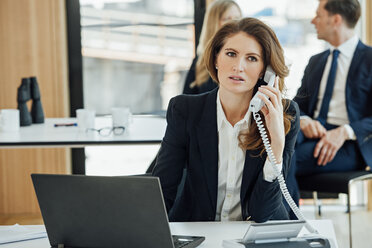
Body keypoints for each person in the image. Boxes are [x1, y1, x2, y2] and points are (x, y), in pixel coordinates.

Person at [153, 17, 300, 222]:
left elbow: (263, 214)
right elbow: (163, 188)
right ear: (216, 59)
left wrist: (276, 145)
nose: (238, 67)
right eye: (231, 54)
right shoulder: (185, 110)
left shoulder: (284, 114)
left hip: (255, 235)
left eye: (252, 58)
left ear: (266, 71)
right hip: (199, 231)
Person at [291, 0, 372, 190]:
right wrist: (303, 119)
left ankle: (289, 218)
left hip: (351, 142)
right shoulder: (315, 62)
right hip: (313, 132)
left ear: (336, 20)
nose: (313, 21)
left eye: (318, 15)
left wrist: (345, 131)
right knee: (268, 152)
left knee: (284, 162)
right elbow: (297, 105)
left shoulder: (370, 60)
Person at [183, 0, 242, 94]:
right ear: (213, 24)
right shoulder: (200, 60)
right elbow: (185, 99)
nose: (234, 23)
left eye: (237, 18)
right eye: (227, 18)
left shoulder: (243, 58)